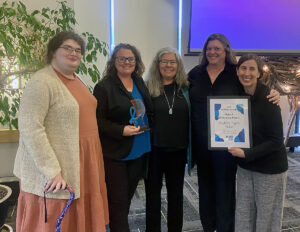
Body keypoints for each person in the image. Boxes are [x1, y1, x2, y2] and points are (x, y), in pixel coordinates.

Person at [14, 31, 109, 232]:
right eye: (67, 48)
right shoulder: (42, 81)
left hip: (84, 160)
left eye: (78, 50)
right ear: (53, 52)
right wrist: (52, 171)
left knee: (80, 213)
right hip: (58, 165)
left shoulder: (76, 79)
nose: (74, 53)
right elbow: (30, 128)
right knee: (57, 215)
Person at [188, 33, 280, 232]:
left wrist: (273, 92)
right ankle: (208, 226)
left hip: (227, 145)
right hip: (201, 143)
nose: (212, 52)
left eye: (217, 49)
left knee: (225, 190)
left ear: (226, 51)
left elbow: (253, 89)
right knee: (204, 190)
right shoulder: (195, 73)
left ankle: (224, 228)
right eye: (209, 48)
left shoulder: (235, 73)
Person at [93, 43, 152, 232]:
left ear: (136, 62)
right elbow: (98, 122)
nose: (127, 62)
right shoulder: (104, 87)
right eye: (122, 58)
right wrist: (121, 130)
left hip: (139, 149)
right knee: (117, 203)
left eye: (131, 59)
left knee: (125, 199)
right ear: (114, 61)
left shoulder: (139, 81)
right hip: (117, 153)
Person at [228, 54, 288, 232]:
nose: (247, 73)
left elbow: (276, 141)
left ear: (259, 73)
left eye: (252, 69)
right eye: (243, 68)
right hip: (246, 167)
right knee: (243, 215)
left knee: (266, 219)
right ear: (237, 71)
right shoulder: (236, 96)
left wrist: (247, 153)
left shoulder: (270, 98)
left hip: (270, 169)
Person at [145, 47, 192, 232]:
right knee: (152, 197)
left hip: (178, 152)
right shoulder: (148, 87)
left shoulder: (187, 89)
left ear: (178, 65)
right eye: (164, 61)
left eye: (172, 61)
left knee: (176, 197)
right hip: (154, 151)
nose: (168, 65)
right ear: (157, 64)